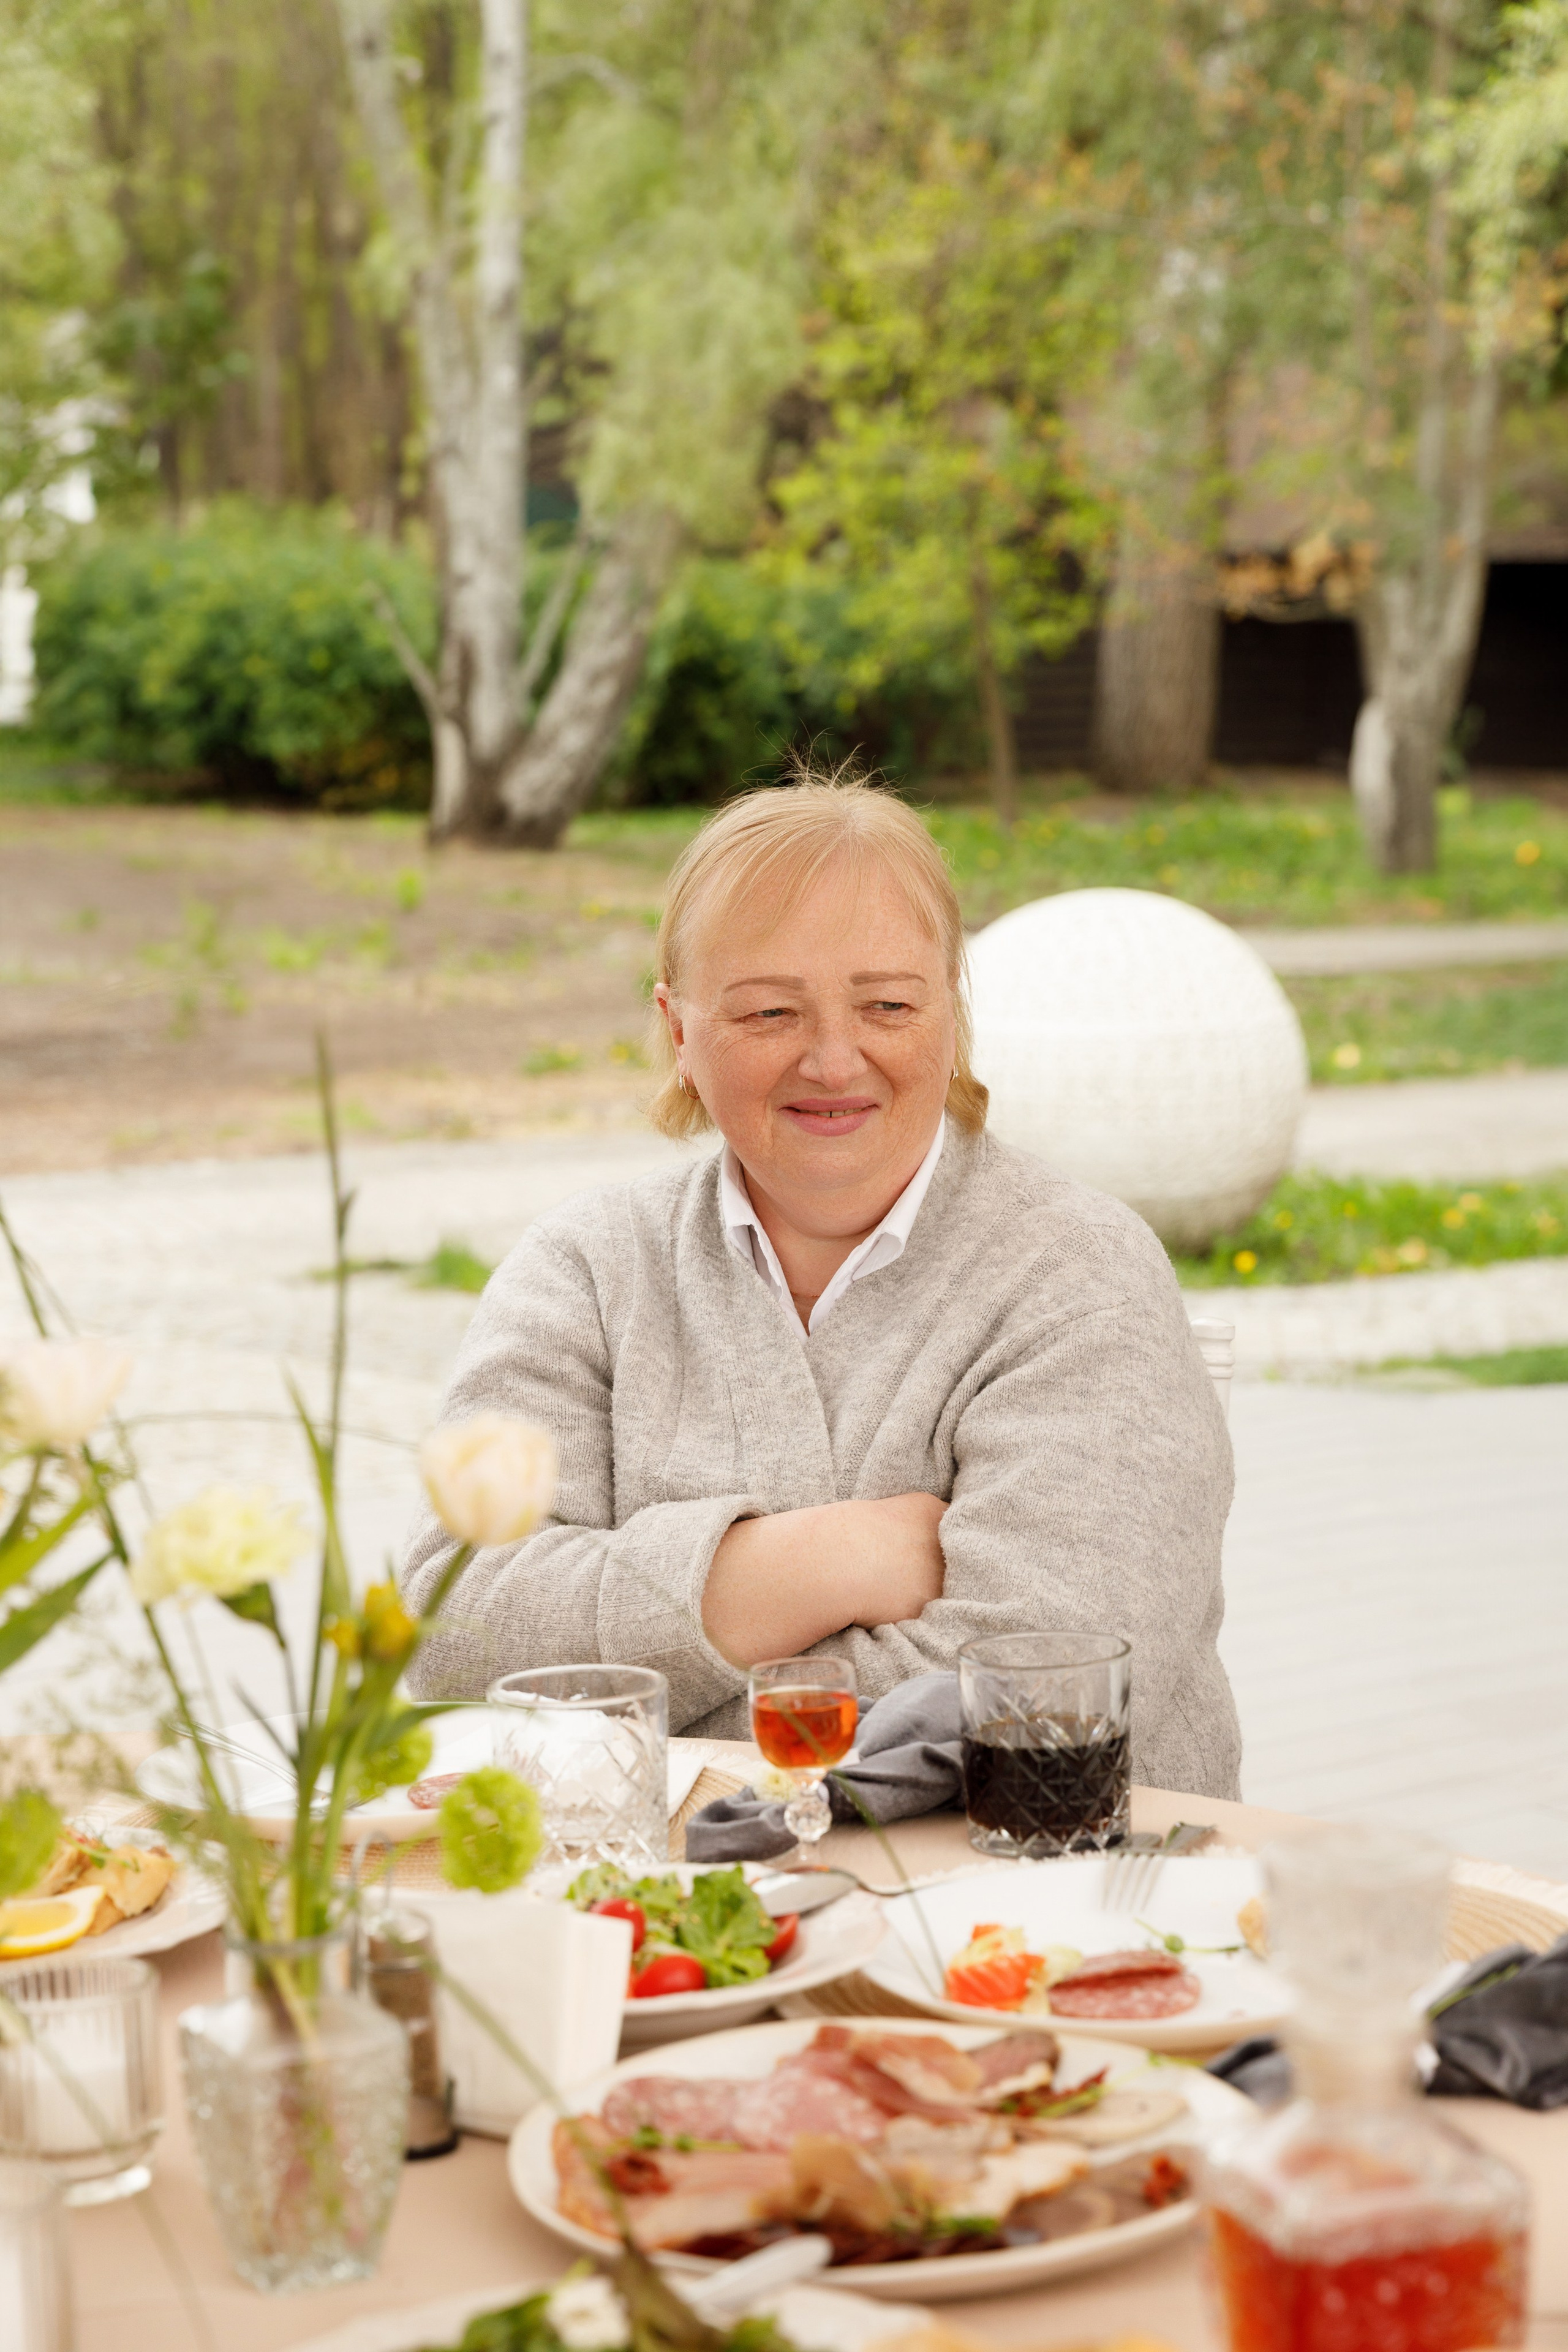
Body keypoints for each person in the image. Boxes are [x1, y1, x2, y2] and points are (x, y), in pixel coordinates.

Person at [401, 771, 1242, 1798]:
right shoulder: (584, 1268)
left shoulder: (1080, 1274)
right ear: (678, 1031)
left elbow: (1045, 1692)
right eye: (769, 1012)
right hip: (664, 1887)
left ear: (950, 1012)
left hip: (1042, 1881)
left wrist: (634, 1711)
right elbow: (452, 1627)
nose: (835, 1062)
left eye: (887, 1005)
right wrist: (831, 1559)